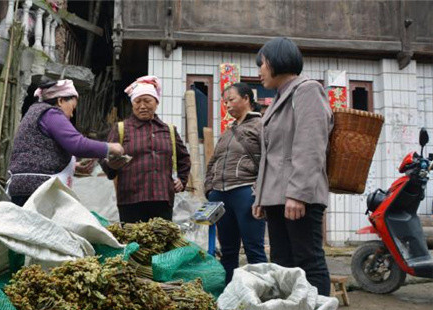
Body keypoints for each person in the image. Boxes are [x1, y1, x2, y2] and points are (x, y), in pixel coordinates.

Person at [251, 37, 333, 296]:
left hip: (299, 196)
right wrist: (260, 196)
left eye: (261, 64)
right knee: (282, 263)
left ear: (276, 61)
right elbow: (270, 155)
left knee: (307, 260)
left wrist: (297, 193)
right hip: (277, 197)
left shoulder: (307, 90)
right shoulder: (277, 99)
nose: (259, 72)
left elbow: (310, 145)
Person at [7, 79, 124, 206]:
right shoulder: (51, 114)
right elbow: (77, 145)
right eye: (72, 107)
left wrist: (75, 166)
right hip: (38, 189)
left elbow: (38, 154)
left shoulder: (35, 112)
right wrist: (109, 147)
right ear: (60, 100)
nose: (72, 114)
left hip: (24, 187)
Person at [101, 76, 191, 223]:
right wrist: (110, 165)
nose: (142, 106)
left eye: (147, 101)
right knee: (134, 242)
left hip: (162, 198)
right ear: (132, 104)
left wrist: (182, 179)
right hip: (130, 200)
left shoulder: (168, 130)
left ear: (156, 103)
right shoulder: (121, 129)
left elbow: (184, 158)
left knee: (160, 242)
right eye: (137, 101)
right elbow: (104, 158)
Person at [204, 83, 268, 284]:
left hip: (245, 192)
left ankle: (262, 294)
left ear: (247, 98)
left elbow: (269, 161)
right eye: (225, 102)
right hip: (220, 195)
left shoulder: (261, 125)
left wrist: (259, 192)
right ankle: (230, 295)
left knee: (253, 248)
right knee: (228, 250)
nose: (227, 105)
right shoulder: (228, 131)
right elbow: (214, 160)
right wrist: (209, 188)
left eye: (231, 100)